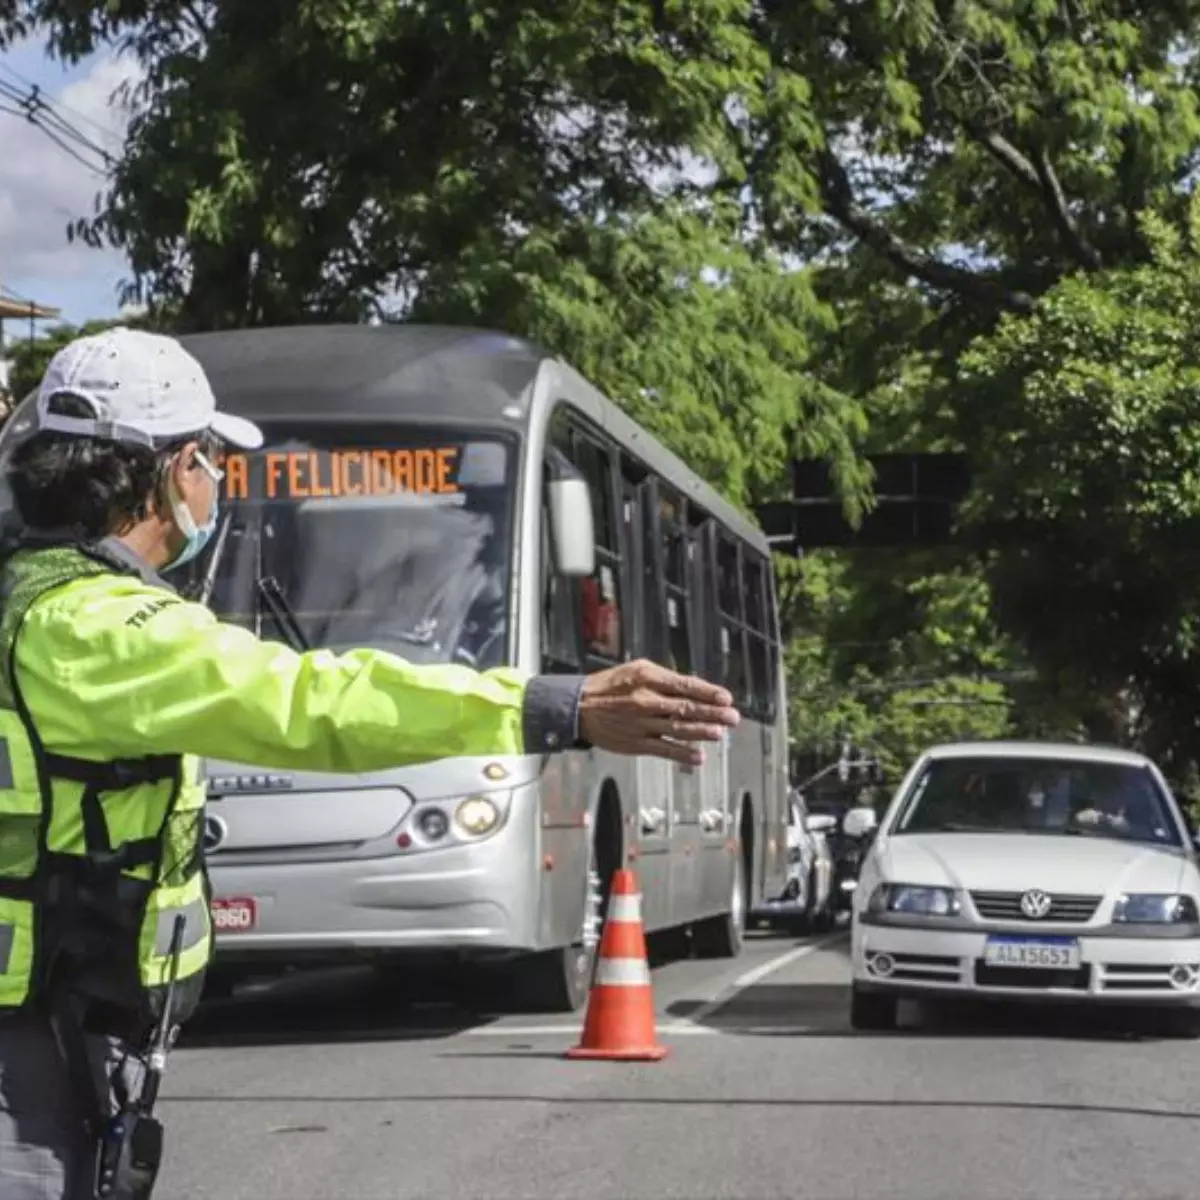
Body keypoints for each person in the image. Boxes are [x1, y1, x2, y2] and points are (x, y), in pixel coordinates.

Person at [0, 327, 740, 1200]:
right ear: (168, 472)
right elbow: (318, 701)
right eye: (208, 460)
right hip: (40, 1027)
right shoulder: (99, 629)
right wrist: (556, 704)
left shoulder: (29, 597)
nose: (215, 485)